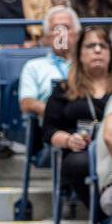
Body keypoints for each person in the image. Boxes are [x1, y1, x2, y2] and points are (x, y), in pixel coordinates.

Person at [43, 24, 111, 202]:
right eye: (90, 46)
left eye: (103, 46)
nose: (97, 50)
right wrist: (68, 140)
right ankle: (100, 215)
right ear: (79, 54)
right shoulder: (64, 89)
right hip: (82, 151)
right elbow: (49, 130)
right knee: (79, 164)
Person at [20, 6, 79, 127]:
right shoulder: (33, 66)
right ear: (47, 37)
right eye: (55, 29)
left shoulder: (88, 64)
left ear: (77, 34)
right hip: (50, 125)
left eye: (66, 27)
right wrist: (55, 112)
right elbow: (26, 103)